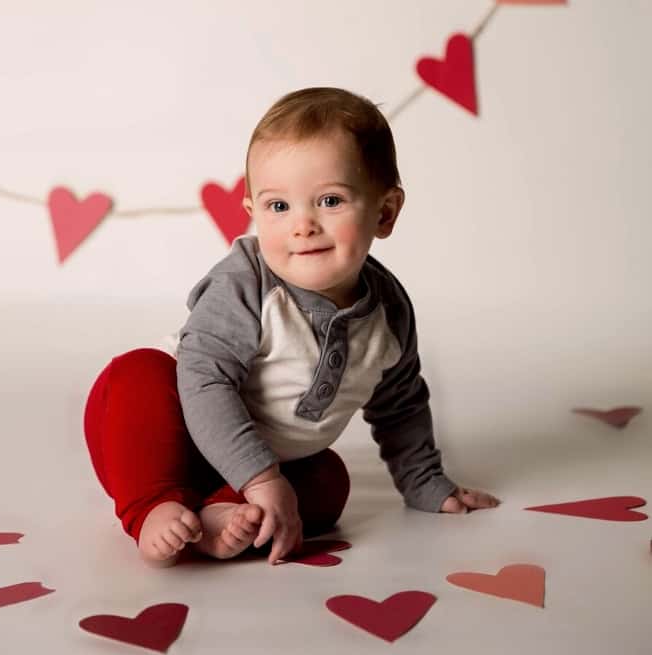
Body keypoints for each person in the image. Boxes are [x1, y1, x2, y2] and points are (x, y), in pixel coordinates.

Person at [83, 87, 499, 568]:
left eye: (329, 201)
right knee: (137, 374)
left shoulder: (388, 313)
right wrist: (262, 479)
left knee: (329, 481)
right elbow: (205, 384)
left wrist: (425, 482)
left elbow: (400, 404)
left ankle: (219, 513)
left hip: (261, 466)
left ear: (384, 212)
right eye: (279, 207)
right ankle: (151, 507)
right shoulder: (245, 286)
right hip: (163, 434)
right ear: (253, 213)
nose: (303, 225)